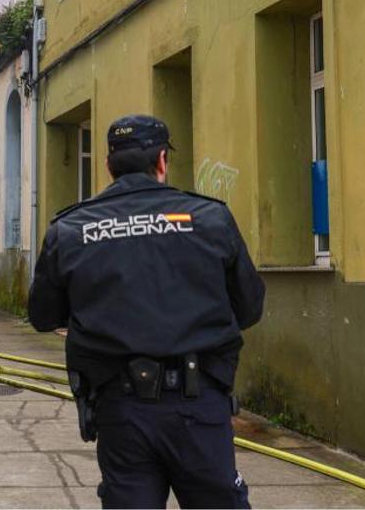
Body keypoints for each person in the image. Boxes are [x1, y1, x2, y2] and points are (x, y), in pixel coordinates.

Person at [28, 115, 265, 509]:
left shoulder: (70, 229)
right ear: (161, 161)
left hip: (122, 412)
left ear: (108, 166)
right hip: (199, 405)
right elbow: (250, 306)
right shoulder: (209, 218)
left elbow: (42, 316)